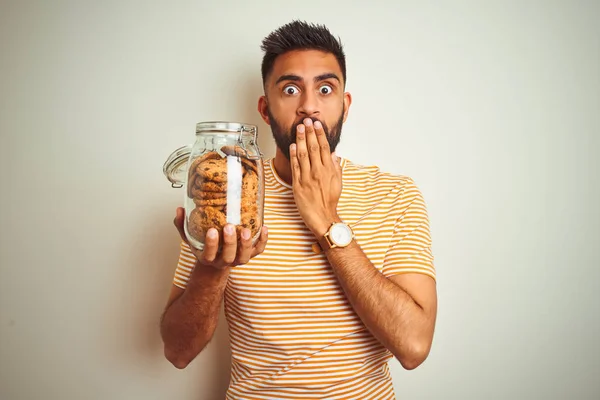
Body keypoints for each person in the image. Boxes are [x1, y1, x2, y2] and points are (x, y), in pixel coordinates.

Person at [160, 20, 437, 400]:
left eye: (326, 89)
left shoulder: (395, 194)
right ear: (265, 108)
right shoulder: (227, 197)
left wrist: (326, 219)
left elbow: (414, 346)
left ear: (345, 104)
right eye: (290, 89)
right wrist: (212, 268)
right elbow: (177, 352)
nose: (309, 106)